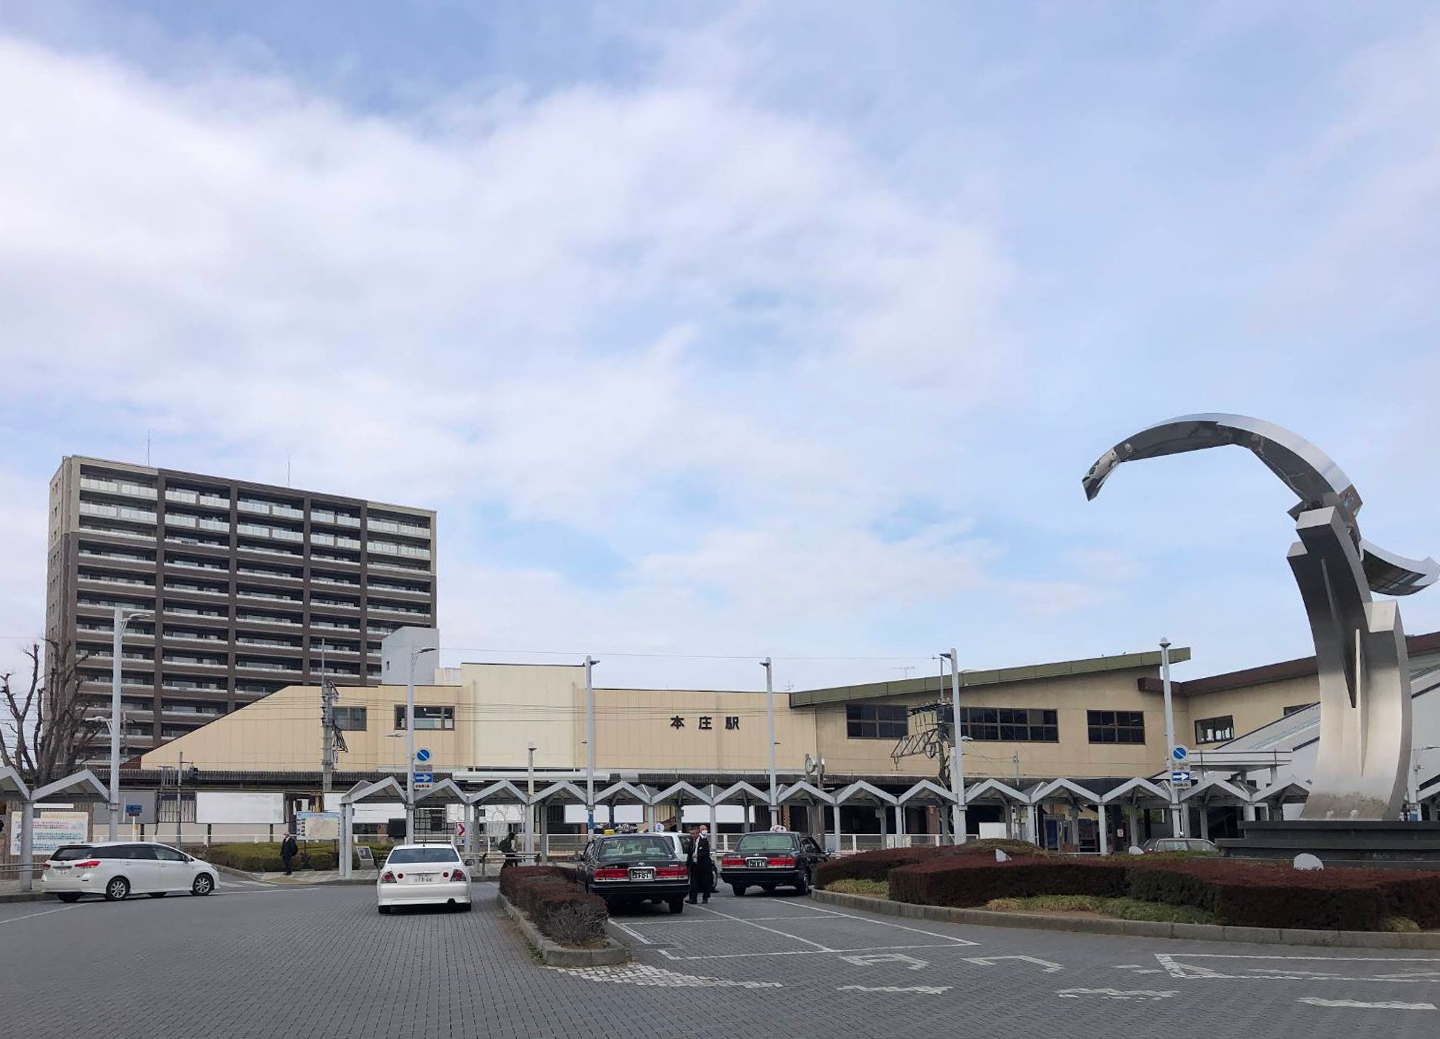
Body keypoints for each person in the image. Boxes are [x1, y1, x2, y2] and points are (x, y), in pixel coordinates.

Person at [686, 825, 713, 904]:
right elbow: (689, 853)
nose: (692, 835)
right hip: (694, 865)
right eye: (691, 834)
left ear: (697, 833)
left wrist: (698, 855)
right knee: (694, 882)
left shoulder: (704, 841)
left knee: (705, 882)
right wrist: (688, 863)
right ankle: (693, 898)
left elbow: (706, 853)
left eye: (694, 833)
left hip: (703, 865)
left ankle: (705, 897)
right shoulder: (691, 842)